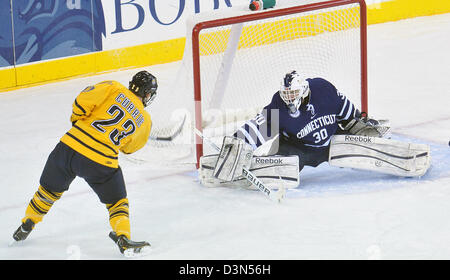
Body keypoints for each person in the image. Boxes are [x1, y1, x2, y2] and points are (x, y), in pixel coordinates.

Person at [12, 70, 158, 257]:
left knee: (47, 191)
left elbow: (82, 101)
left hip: (69, 146)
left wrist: (78, 122)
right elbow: (129, 149)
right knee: (117, 203)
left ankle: (27, 223)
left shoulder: (113, 87)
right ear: (147, 94)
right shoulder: (145, 121)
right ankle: (123, 237)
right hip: (101, 161)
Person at [232, 70, 385, 172]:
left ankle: (376, 151)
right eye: (286, 94)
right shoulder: (279, 104)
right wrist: (238, 143)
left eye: (293, 93)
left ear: (304, 90)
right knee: (285, 165)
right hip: (299, 150)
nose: (289, 98)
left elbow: (342, 107)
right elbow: (261, 126)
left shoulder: (322, 88)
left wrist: (356, 121)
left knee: (357, 143)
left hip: (332, 143)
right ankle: (264, 168)